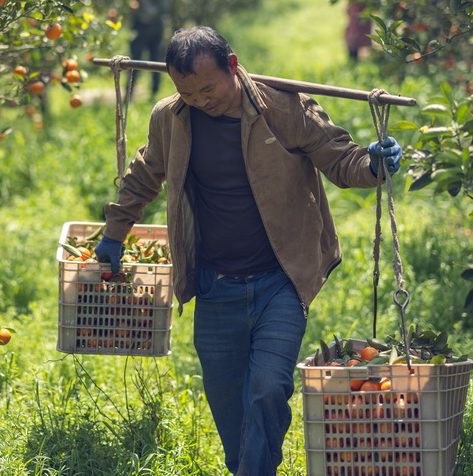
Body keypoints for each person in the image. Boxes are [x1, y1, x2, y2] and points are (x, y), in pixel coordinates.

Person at [94, 26, 402, 475]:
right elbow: (145, 174)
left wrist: (372, 163)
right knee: (226, 402)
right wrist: (115, 230)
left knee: (267, 388)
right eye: (188, 91)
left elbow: (339, 157)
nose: (202, 100)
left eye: (208, 87)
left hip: (280, 279)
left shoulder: (284, 107)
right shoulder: (172, 119)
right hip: (215, 285)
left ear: (233, 65)